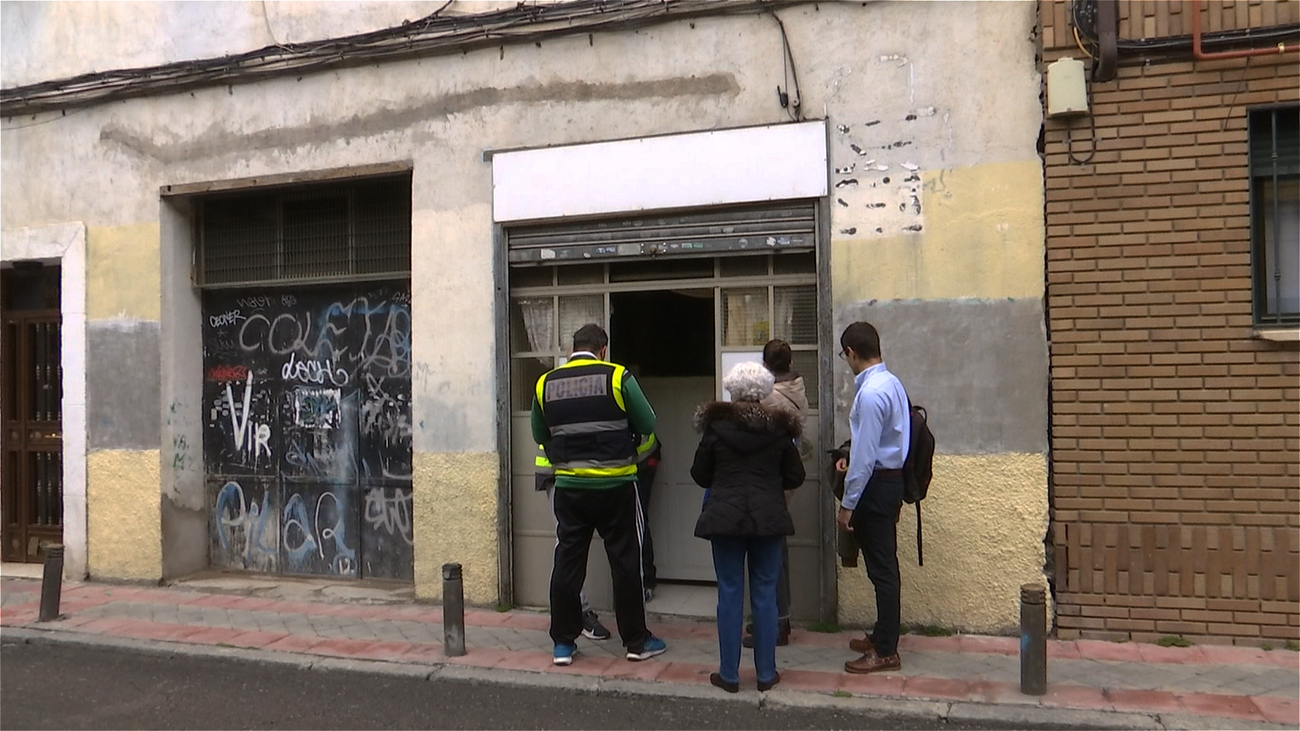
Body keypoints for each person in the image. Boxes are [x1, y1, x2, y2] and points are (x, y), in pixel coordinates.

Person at [533, 324, 667, 666]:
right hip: (616, 486)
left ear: (572, 349)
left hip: (570, 489)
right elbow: (648, 424)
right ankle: (636, 642)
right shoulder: (618, 377)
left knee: (567, 563)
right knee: (626, 563)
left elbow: (539, 433)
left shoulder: (545, 383)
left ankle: (563, 644)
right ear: (603, 349)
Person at [690, 361, 805, 693]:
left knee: (729, 592)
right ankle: (766, 674)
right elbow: (795, 476)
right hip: (768, 517)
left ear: (732, 390)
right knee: (765, 593)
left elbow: (700, 474)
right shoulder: (780, 429)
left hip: (724, 517)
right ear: (764, 391)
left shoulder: (715, 428)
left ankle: (729, 675)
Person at [836, 322, 910, 674]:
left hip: (876, 485)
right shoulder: (891, 383)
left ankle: (885, 650)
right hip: (889, 480)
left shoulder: (870, 394)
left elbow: (866, 458)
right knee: (885, 566)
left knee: (882, 570)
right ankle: (882, 635)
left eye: (844, 355)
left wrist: (847, 505)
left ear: (851, 352)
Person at [741, 339, 808, 648]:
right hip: (787, 476)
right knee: (776, 548)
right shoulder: (798, 389)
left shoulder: (769, 397)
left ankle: (776, 623)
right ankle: (779, 618)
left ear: (765, 365)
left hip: (770, 479)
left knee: (770, 554)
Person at [534, 444, 612, 641]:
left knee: (568, 544)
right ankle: (579, 613)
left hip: (582, 471)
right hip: (562, 471)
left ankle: (573, 620)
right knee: (566, 544)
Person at [635, 433, 662, 602]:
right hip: (641, 459)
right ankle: (645, 580)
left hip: (642, 461)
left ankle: (646, 581)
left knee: (638, 521)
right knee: (637, 520)